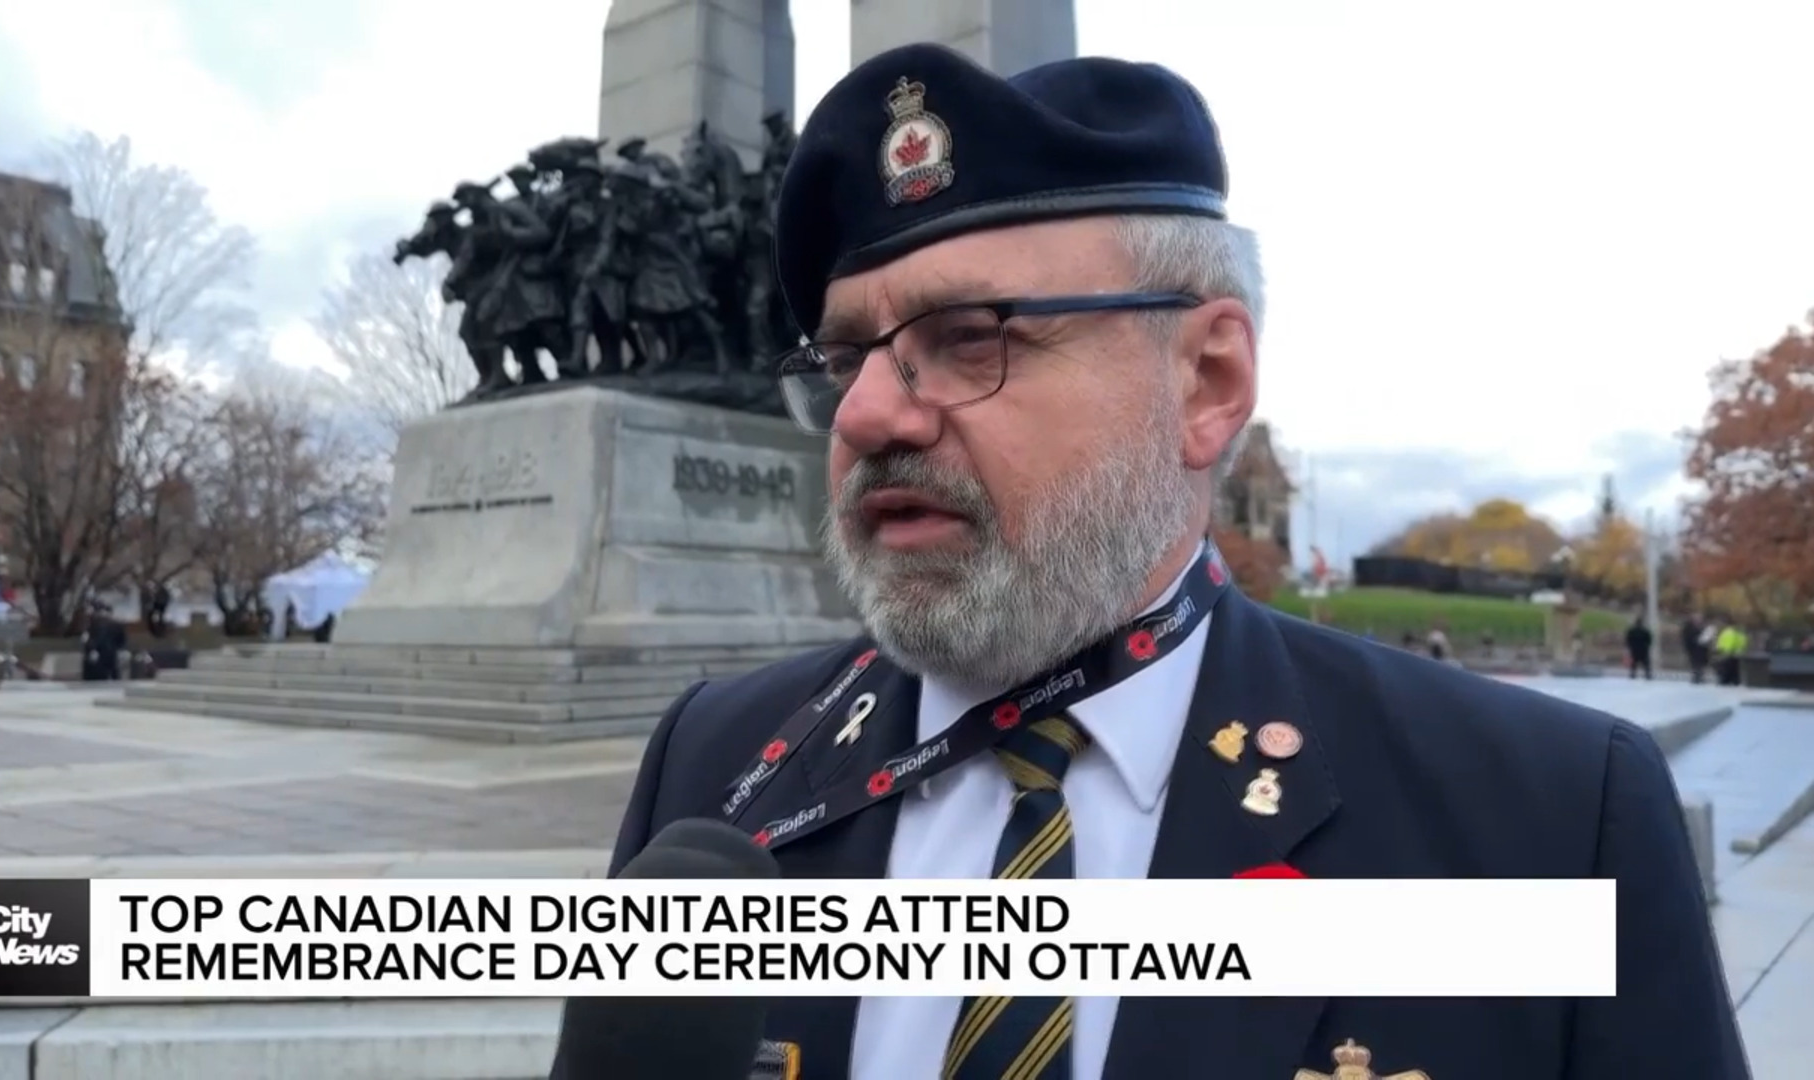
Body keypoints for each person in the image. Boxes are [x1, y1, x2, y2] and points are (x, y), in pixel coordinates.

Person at [604, 43, 1747, 1080]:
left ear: (1206, 382)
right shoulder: (713, 772)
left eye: (969, 339)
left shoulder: (1546, 819)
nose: (867, 416)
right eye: (847, 357)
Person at [1626, 615, 1654, 679]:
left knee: (1634, 664)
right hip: (1644, 650)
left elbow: (1628, 640)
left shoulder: (1632, 631)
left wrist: (1630, 647)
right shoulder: (1645, 631)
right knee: (1646, 664)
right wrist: (1646, 646)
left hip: (1634, 649)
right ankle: (1648, 675)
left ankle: (1633, 675)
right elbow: (1649, 640)